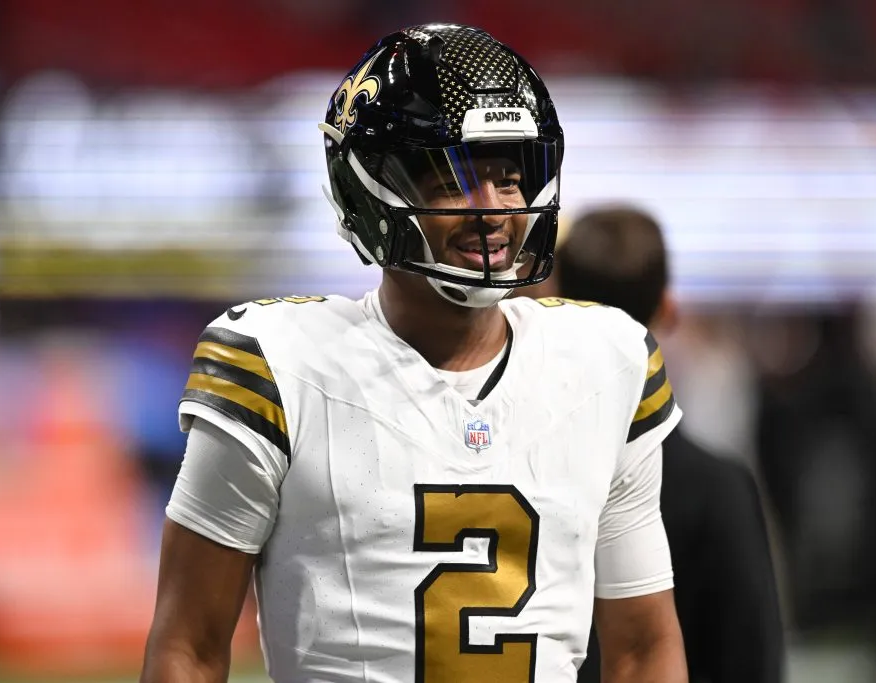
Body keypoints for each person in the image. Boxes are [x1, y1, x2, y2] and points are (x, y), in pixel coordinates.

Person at [140, 24, 687, 683]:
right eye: (455, 179)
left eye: (509, 178)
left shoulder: (607, 361)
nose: (492, 210)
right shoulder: (278, 366)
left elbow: (642, 650)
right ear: (369, 192)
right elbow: (189, 650)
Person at [524, 205, 784, 683]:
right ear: (669, 309)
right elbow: (751, 659)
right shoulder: (718, 488)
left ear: (555, 299)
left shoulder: (521, 467)